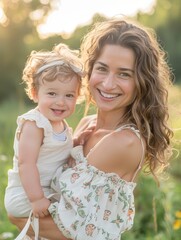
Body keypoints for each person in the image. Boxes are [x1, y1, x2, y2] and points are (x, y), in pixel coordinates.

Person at [9, 17, 173, 240]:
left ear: (142, 82)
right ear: (90, 70)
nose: (107, 84)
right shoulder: (87, 124)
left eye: (124, 74)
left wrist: (17, 218)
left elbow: (73, 231)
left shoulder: (123, 142)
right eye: (102, 69)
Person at [4, 43, 85, 220]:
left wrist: (79, 139)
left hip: (47, 191)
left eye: (69, 95)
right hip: (26, 194)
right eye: (52, 94)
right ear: (35, 93)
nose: (61, 102)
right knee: (71, 220)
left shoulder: (61, 124)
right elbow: (26, 164)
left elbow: (57, 150)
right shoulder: (35, 124)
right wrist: (37, 199)